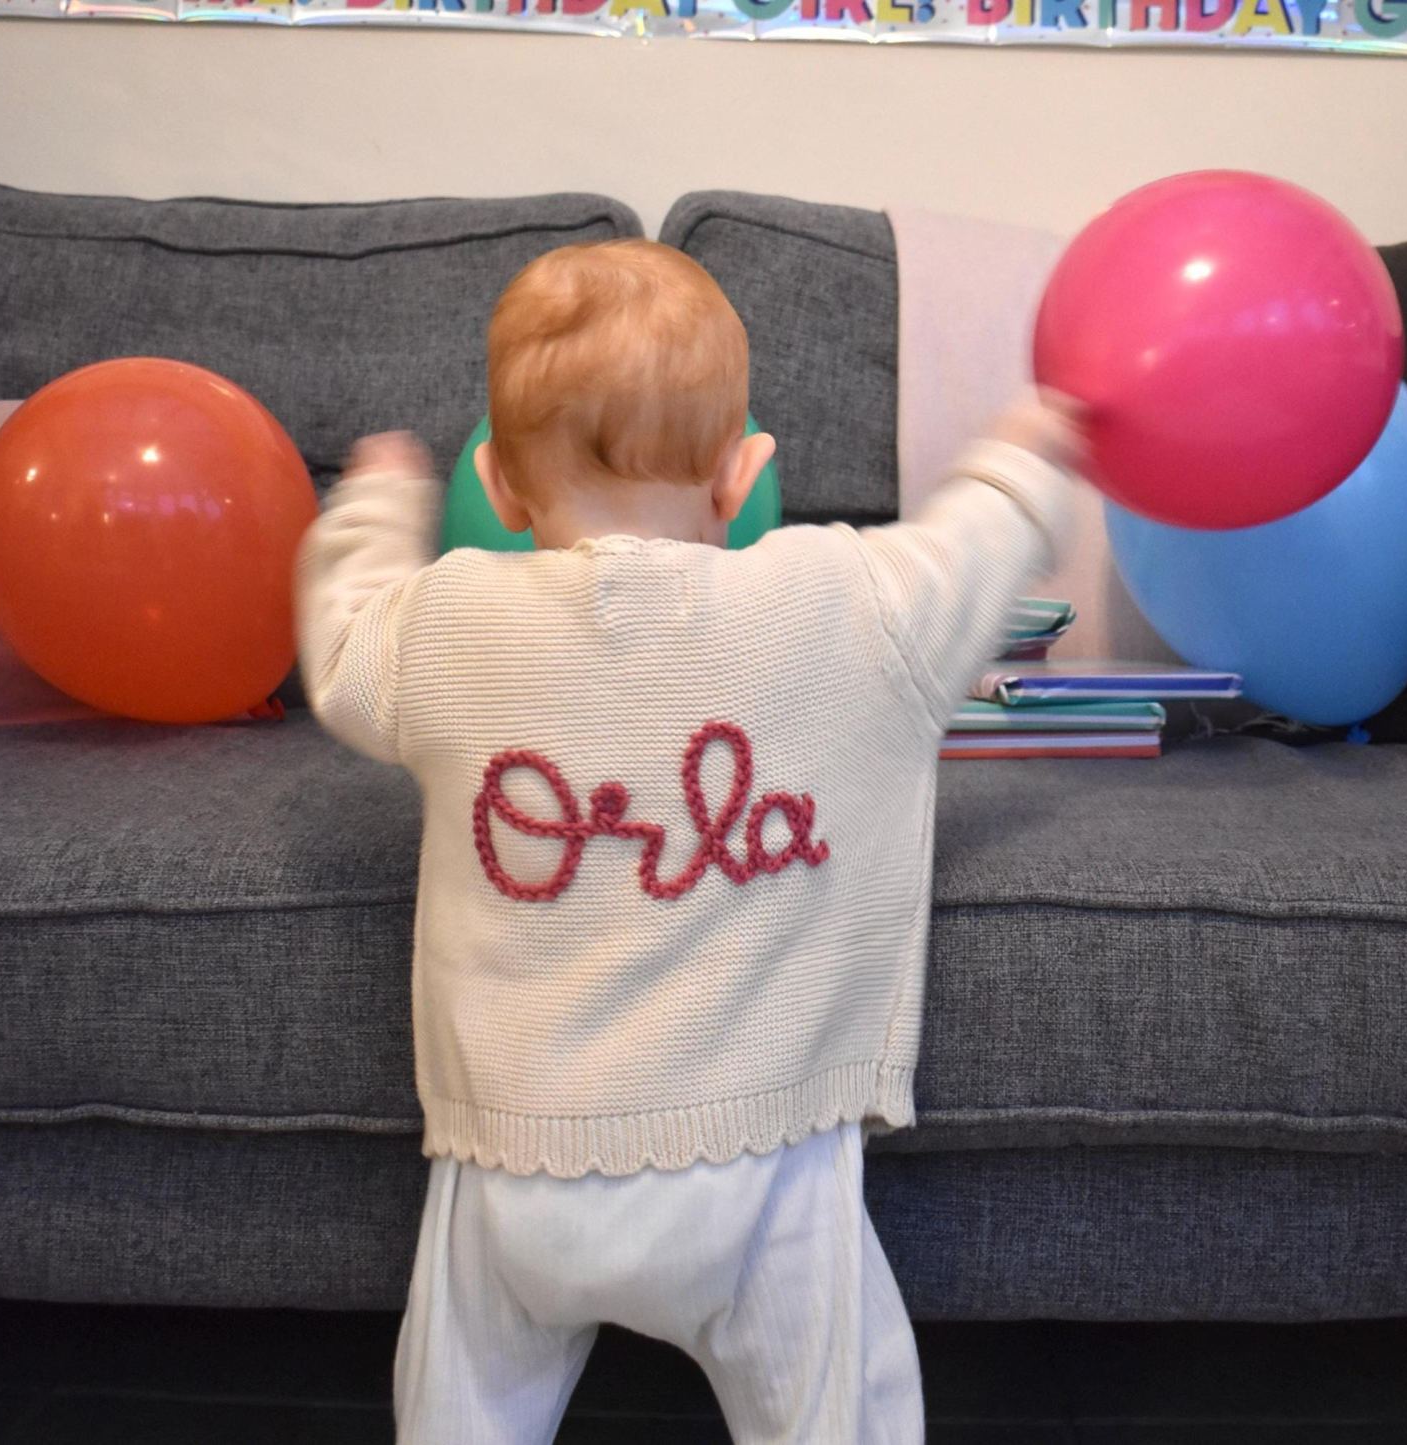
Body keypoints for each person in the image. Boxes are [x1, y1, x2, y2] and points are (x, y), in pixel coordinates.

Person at [295, 238, 1085, 1444]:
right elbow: (969, 552)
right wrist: (1022, 454)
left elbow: (341, 644)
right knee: (839, 1415)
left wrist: (369, 504)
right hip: (758, 1169)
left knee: (462, 1410)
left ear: (495, 487)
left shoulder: (443, 617)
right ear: (741, 471)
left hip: (514, 1165)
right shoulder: (845, 599)